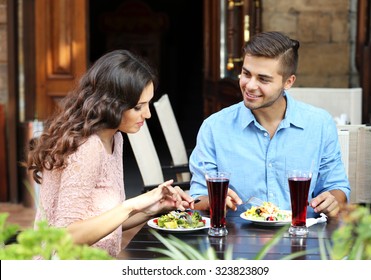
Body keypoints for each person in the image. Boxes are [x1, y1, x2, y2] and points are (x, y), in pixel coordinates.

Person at [26, 49, 195, 258]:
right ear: (111, 104)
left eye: (148, 104)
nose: (148, 114)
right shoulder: (87, 147)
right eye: (137, 107)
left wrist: (153, 209)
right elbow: (64, 238)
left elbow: (106, 223)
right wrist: (132, 204)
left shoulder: (115, 137)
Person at [189, 31, 350, 218]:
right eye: (246, 74)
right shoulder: (214, 128)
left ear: (288, 82)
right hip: (235, 240)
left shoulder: (320, 124)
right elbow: (197, 198)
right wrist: (214, 201)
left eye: (263, 79)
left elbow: (337, 187)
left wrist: (332, 201)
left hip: (303, 238)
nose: (249, 85)